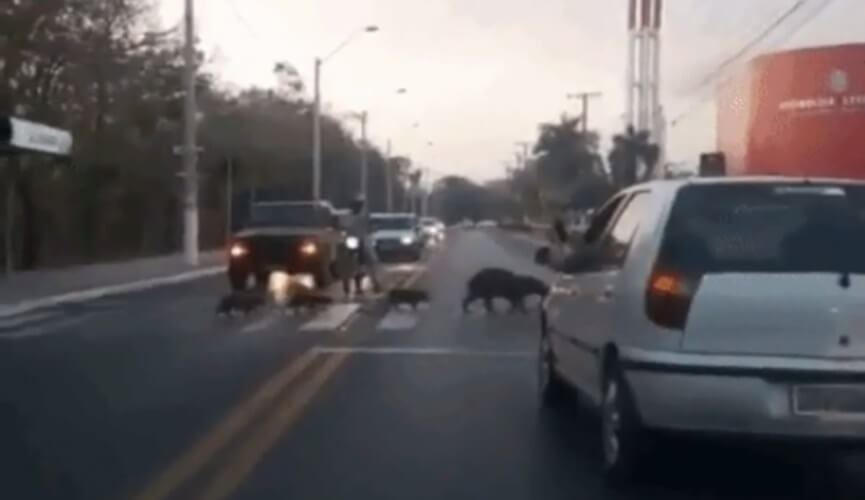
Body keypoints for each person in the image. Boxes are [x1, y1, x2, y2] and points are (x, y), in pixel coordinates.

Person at [345, 195, 381, 294]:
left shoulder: (352, 216)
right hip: (359, 241)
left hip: (358, 240)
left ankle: (371, 284)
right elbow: (369, 227)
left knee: (360, 265)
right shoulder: (360, 216)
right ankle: (372, 284)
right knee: (367, 264)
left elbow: (369, 227)